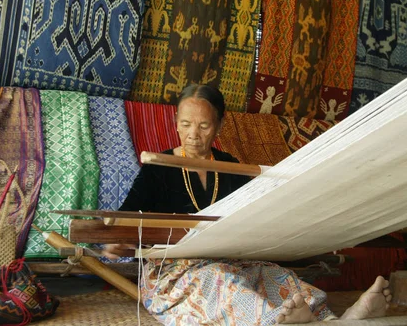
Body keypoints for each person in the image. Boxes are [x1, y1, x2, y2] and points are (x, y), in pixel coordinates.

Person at [104, 84, 391, 325]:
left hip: (230, 261)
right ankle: (281, 320)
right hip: (174, 273)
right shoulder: (158, 166)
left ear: (219, 125)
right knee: (220, 280)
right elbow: (126, 217)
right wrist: (118, 241)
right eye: (185, 124)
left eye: (204, 125)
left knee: (276, 275)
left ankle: (336, 319)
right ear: (175, 122)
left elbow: (255, 212)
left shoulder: (231, 167)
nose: (193, 134)